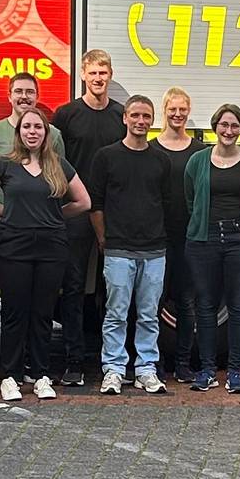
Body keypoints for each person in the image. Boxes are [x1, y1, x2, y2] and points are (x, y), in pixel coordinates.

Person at [0, 107, 93, 402]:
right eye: (27, 127)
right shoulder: (5, 165)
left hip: (51, 248)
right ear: (19, 133)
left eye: (38, 127)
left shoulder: (59, 165)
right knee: (15, 312)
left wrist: (55, 216)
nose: (32, 132)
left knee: (42, 314)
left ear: (46, 133)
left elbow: (84, 201)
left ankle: (40, 375)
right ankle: (10, 376)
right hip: (14, 246)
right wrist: (6, 212)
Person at [91, 95, 180, 394]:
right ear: (125, 118)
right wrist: (104, 238)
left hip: (154, 251)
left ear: (152, 120)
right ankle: (114, 369)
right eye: (136, 115)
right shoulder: (106, 157)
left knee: (148, 314)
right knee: (116, 312)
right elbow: (96, 203)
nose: (141, 121)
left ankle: (146, 369)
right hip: (118, 249)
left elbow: (166, 204)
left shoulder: (160, 160)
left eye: (146, 116)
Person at [180, 105, 240, 395]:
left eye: (234, 125)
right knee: (205, 307)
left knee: (239, 307)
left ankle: (235, 371)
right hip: (204, 242)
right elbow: (191, 200)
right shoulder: (197, 161)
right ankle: (207, 371)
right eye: (223, 125)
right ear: (215, 126)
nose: (228, 131)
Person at [53, 50, 128, 387]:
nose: (99, 78)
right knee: (72, 287)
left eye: (104, 72)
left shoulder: (120, 115)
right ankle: (74, 360)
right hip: (77, 212)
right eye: (93, 73)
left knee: (114, 289)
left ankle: (113, 361)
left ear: (110, 75)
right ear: (83, 74)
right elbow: (54, 163)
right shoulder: (66, 115)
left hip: (115, 212)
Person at [153, 87, 201, 385]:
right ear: (164, 110)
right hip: (156, 237)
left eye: (183, 109)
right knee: (152, 303)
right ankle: (153, 362)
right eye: (173, 108)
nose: (178, 114)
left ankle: (183, 363)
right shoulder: (150, 148)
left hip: (189, 239)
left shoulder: (198, 151)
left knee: (186, 302)